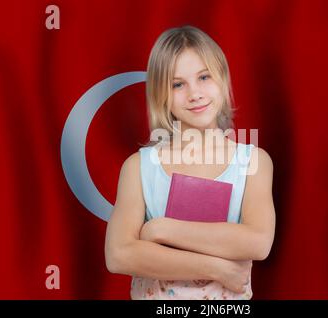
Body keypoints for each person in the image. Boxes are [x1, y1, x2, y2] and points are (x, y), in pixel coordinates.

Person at [105, 25, 276, 300]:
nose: (194, 93)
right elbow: (118, 255)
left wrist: (161, 229)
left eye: (204, 77)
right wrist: (217, 268)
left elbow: (258, 242)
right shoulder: (139, 167)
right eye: (178, 84)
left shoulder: (253, 162)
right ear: (161, 94)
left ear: (222, 77)